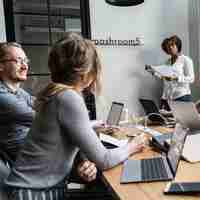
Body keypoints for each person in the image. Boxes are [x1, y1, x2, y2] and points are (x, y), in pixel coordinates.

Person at [4, 33, 144, 199]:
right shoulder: (68, 97)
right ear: (86, 72)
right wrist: (133, 145)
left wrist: (84, 161)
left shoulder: (56, 93)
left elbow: (62, 141)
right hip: (34, 194)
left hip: (31, 190)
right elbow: (105, 160)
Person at [0, 42, 99, 183]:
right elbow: (45, 118)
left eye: (25, 60)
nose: (25, 66)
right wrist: (79, 119)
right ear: (1, 65)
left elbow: (43, 105)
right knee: (100, 167)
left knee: (92, 163)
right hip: (33, 169)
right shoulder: (2, 96)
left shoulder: (18, 92)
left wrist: (77, 118)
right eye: (18, 61)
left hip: (43, 158)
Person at [146, 35, 195, 111]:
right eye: (168, 46)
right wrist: (154, 72)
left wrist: (176, 78)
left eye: (172, 45)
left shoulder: (185, 60)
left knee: (181, 122)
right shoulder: (167, 62)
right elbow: (165, 78)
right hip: (168, 98)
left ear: (178, 46)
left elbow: (191, 78)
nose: (170, 47)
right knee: (167, 121)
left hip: (182, 97)